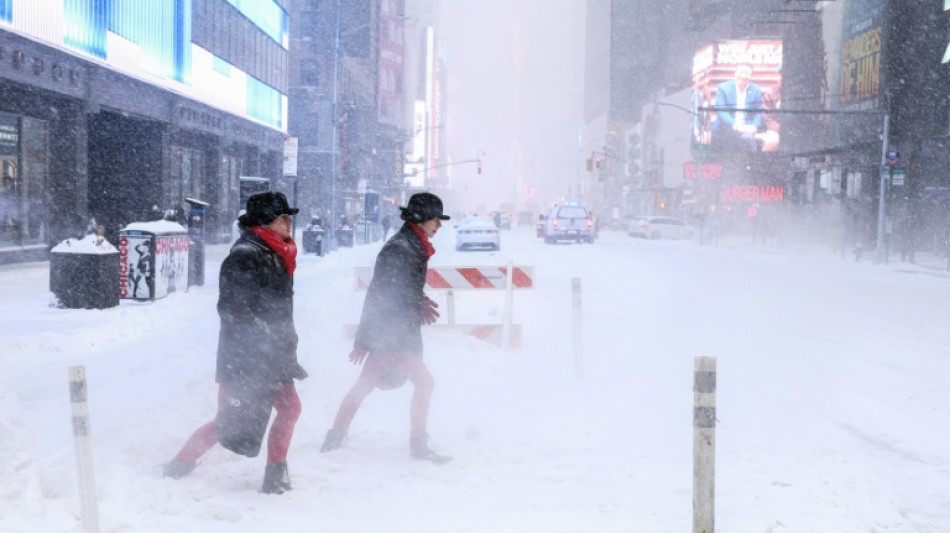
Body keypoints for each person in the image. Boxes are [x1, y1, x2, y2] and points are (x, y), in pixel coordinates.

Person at [162, 191, 308, 494]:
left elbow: (276, 309)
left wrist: (283, 346)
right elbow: (233, 310)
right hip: (247, 357)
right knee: (228, 424)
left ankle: (275, 476)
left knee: (290, 408)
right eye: (283, 217)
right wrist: (266, 342)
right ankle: (178, 465)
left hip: (273, 355)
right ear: (266, 221)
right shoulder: (246, 254)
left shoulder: (275, 252)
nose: (289, 222)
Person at [320, 192, 452, 464]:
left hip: (393, 330)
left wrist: (420, 300)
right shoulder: (402, 247)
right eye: (436, 220)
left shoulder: (411, 244)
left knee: (365, 386)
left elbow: (402, 288)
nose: (439, 226)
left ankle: (335, 437)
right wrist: (364, 340)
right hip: (393, 332)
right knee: (424, 384)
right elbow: (382, 293)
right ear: (423, 219)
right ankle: (417, 443)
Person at [710, 63, 763, 154]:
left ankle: (753, 162)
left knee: (748, 139)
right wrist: (736, 125)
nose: (743, 76)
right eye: (741, 72)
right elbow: (721, 110)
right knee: (713, 135)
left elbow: (759, 112)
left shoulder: (756, 90)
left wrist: (753, 126)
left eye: (747, 73)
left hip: (746, 127)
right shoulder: (723, 87)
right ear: (735, 73)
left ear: (751, 76)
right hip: (726, 126)